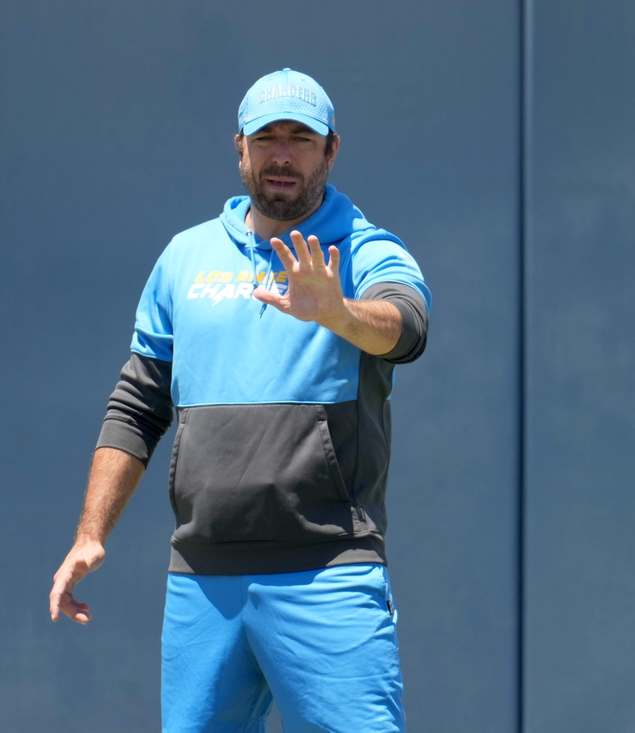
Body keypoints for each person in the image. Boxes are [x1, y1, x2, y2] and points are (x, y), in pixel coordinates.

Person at [49, 68, 430, 732]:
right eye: (267, 138)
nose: (282, 154)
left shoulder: (364, 248)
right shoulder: (184, 258)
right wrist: (90, 534)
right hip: (204, 580)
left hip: (326, 575)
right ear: (240, 148)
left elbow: (407, 327)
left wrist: (338, 312)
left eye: (301, 139)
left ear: (331, 151)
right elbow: (138, 404)